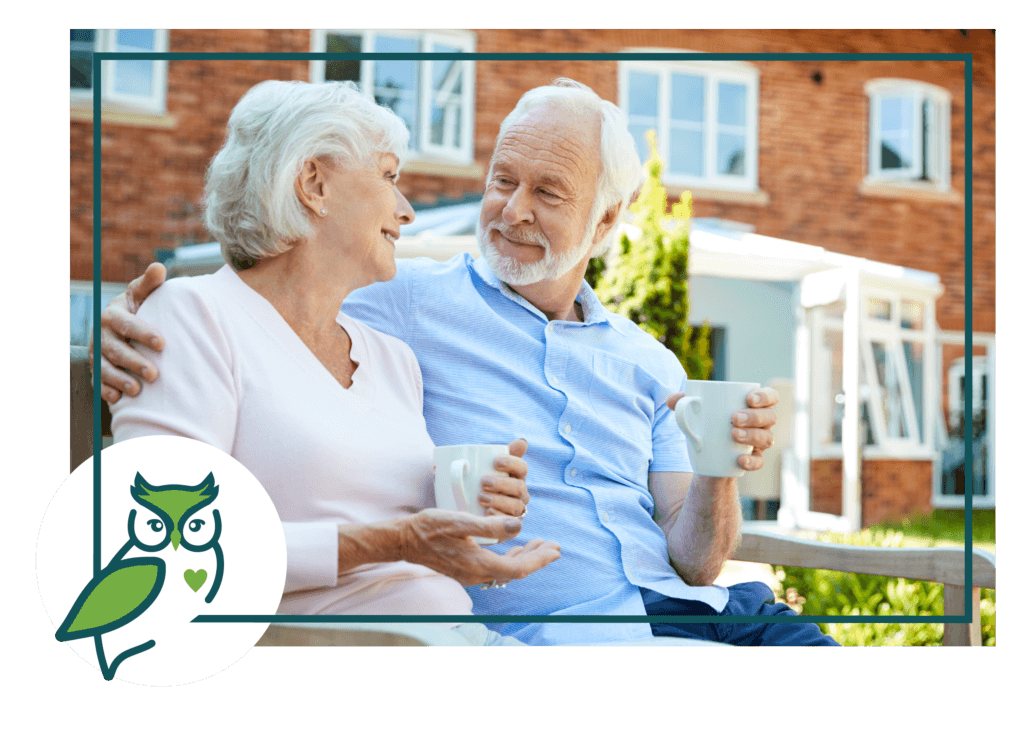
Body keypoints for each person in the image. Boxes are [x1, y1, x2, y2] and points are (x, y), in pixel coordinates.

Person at [96, 78, 839, 646]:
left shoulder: (646, 361)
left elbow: (696, 561)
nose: (512, 210)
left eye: (547, 192)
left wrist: (720, 464)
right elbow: (272, 291)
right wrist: (135, 318)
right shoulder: (403, 300)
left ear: (607, 220)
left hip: (697, 609)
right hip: (568, 628)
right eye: (501, 180)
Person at [104, 79, 561, 646]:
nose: (407, 210)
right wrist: (398, 541)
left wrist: (468, 504)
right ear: (314, 183)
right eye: (390, 176)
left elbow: (397, 526)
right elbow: (170, 556)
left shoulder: (392, 359)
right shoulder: (193, 316)